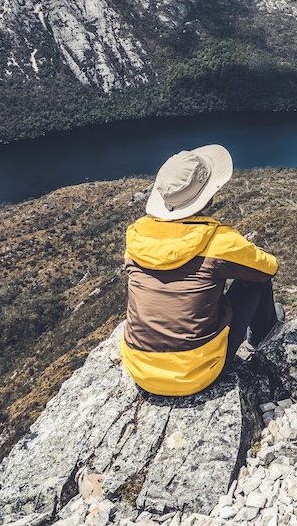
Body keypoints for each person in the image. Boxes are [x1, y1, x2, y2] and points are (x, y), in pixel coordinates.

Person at [119, 144, 280, 397]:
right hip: (197, 373)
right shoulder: (219, 240)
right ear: (209, 193)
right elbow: (269, 268)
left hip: (140, 369)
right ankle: (264, 339)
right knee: (255, 281)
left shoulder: (137, 237)